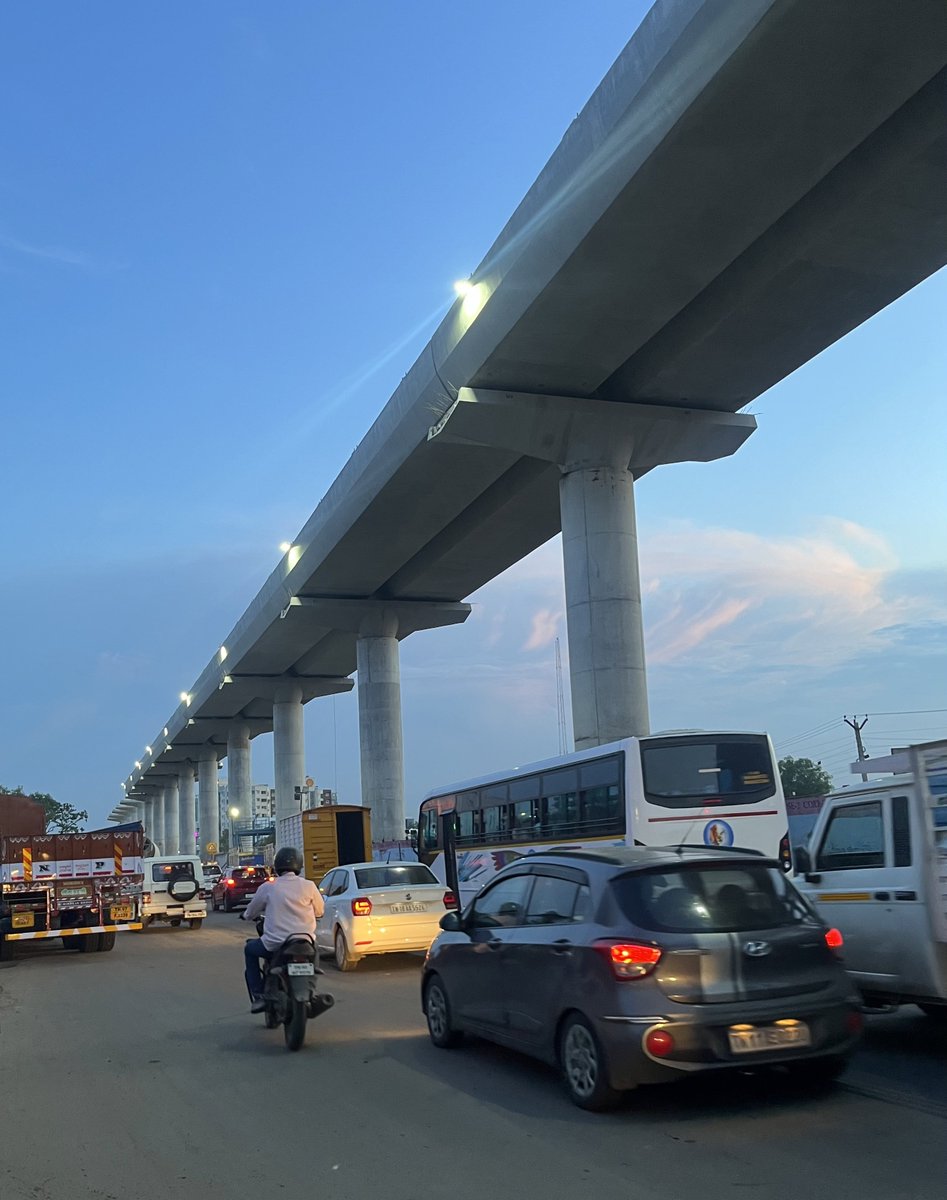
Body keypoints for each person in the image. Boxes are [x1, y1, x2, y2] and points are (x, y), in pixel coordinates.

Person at [240, 847, 325, 1012]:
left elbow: (251, 912)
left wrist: (245, 916)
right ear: (299, 864)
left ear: (277, 866)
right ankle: (312, 992)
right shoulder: (309, 886)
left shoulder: (269, 887)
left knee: (249, 950)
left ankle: (258, 995)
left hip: (275, 943)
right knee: (314, 956)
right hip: (305, 941)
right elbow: (320, 911)